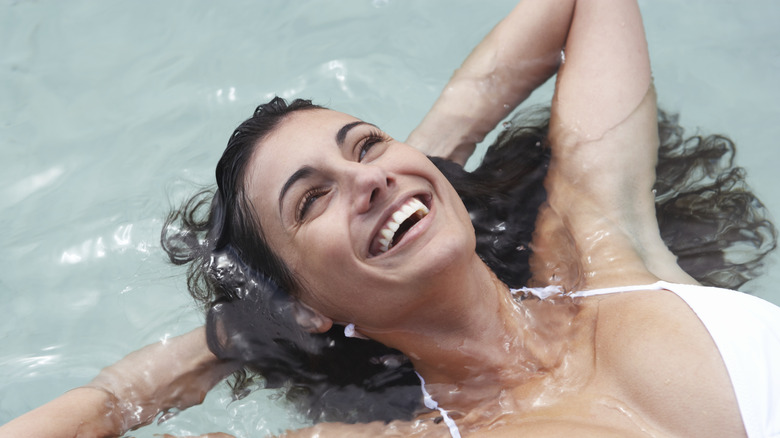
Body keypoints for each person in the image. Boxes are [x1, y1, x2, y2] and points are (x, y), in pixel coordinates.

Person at [2, 0, 779, 437]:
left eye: (366, 145)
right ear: (309, 303)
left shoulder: (601, 245)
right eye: (313, 200)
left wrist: (426, 163)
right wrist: (194, 356)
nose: (365, 181)